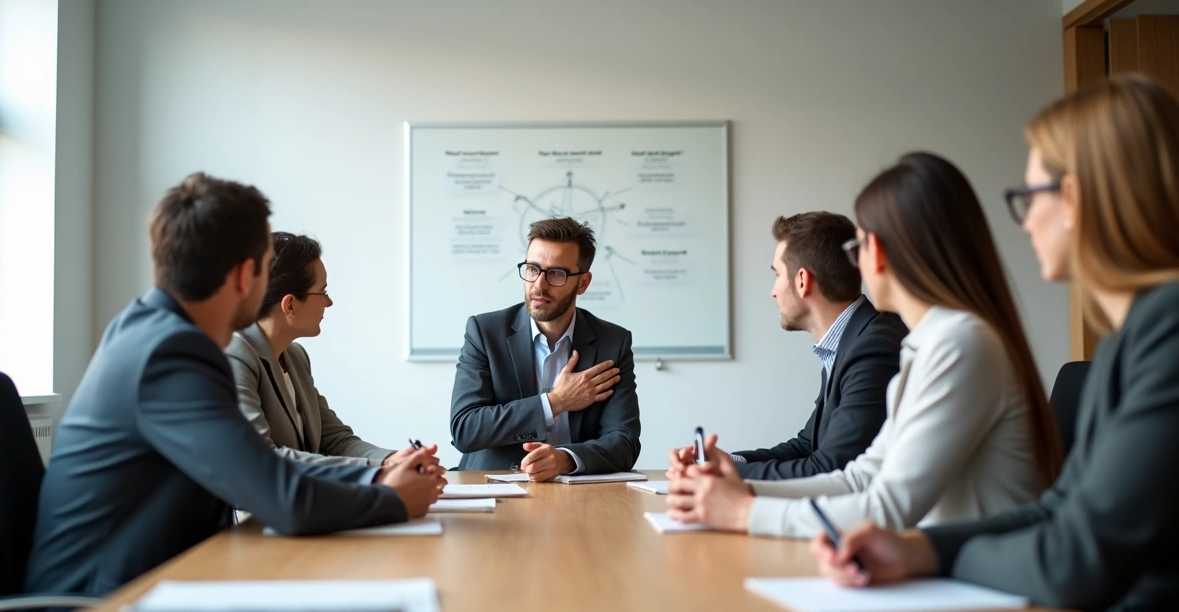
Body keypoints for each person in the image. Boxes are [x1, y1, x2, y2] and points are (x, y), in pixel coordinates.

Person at [811, 75, 1179, 612]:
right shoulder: (1133, 340)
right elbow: (1056, 509)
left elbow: (1073, 558)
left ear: (1075, 200)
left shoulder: (1168, 332)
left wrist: (931, 557)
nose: (1025, 220)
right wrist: (917, 548)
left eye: (1031, 197)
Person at [23, 174, 444, 612]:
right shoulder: (169, 355)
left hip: (162, 583)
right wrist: (390, 496)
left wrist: (381, 477)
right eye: (266, 265)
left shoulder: (155, 333)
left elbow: (263, 470)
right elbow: (278, 494)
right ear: (247, 275)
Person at [666, 152, 1063, 538]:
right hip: (948, 575)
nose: (857, 263)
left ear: (884, 253)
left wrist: (744, 511)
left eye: (860, 247)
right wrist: (739, 492)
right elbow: (859, 478)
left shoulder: (959, 342)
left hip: (982, 592)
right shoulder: (928, 343)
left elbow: (889, 505)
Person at [667, 212, 905, 480]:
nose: (773, 291)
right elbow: (806, 447)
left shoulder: (872, 349)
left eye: (777, 275)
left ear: (802, 281)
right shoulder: (849, 341)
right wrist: (725, 461)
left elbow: (830, 468)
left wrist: (721, 473)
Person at [450, 217, 641, 479]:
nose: (539, 284)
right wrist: (555, 402)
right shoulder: (485, 332)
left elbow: (625, 442)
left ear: (583, 283)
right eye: (532, 269)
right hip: (492, 486)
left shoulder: (613, 342)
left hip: (577, 492)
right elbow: (465, 429)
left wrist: (565, 460)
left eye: (556, 274)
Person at [227, 232, 423, 467]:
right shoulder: (235, 356)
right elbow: (261, 457)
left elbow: (336, 440)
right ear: (289, 305)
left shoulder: (296, 357)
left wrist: (392, 459)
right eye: (323, 292)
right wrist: (377, 468)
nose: (329, 303)